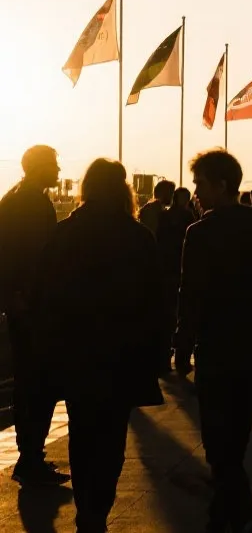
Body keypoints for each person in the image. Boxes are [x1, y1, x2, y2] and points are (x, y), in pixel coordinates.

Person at [35, 158, 164, 532]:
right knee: (111, 438)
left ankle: (86, 511)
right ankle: (98, 510)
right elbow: (155, 302)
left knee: (81, 434)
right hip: (122, 355)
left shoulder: (63, 234)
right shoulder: (139, 237)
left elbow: (46, 296)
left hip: (76, 353)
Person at [178, 150, 252, 533]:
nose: (196, 193)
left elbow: (191, 297)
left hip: (216, 351)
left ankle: (247, 519)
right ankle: (221, 519)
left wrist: (182, 347)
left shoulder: (199, 234)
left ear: (221, 185)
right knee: (234, 441)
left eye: (200, 184)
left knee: (219, 445)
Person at [0, 145, 69, 486]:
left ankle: (31, 455)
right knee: (36, 384)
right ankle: (30, 458)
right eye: (53, 165)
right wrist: (17, 296)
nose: (58, 171)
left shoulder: (18, 198)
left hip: (27, 304)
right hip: (31, 307)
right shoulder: (30, 203)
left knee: (31, 383)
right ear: (39, 167)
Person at [159, 187, 197, 374]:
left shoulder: (167, 216)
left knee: (171, 314)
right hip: (178, 268)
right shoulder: (188, 217)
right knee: (180, 313)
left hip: (171, 268)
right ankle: (179, 356)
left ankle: (168, 356)